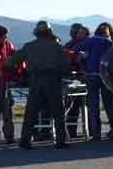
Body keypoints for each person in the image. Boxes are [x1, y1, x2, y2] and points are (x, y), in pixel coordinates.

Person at [4, 21, 70, 149]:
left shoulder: (29, 46)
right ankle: (60, 141)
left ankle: (25, 140)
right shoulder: (57, 47)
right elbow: (65, 66)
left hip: (35, 81)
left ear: (36, 33)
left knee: (31, 112)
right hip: (52, 80)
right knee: (58, 112)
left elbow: (11, 62)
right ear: (49, 32)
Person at [73, 22, 113, 140]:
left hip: (92, 75)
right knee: (110, 104)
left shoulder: (92, 40)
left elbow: (75, 49)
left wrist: (85, 55)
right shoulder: (111, 42)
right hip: (106, 75)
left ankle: (96, 134)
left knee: (93, 105)